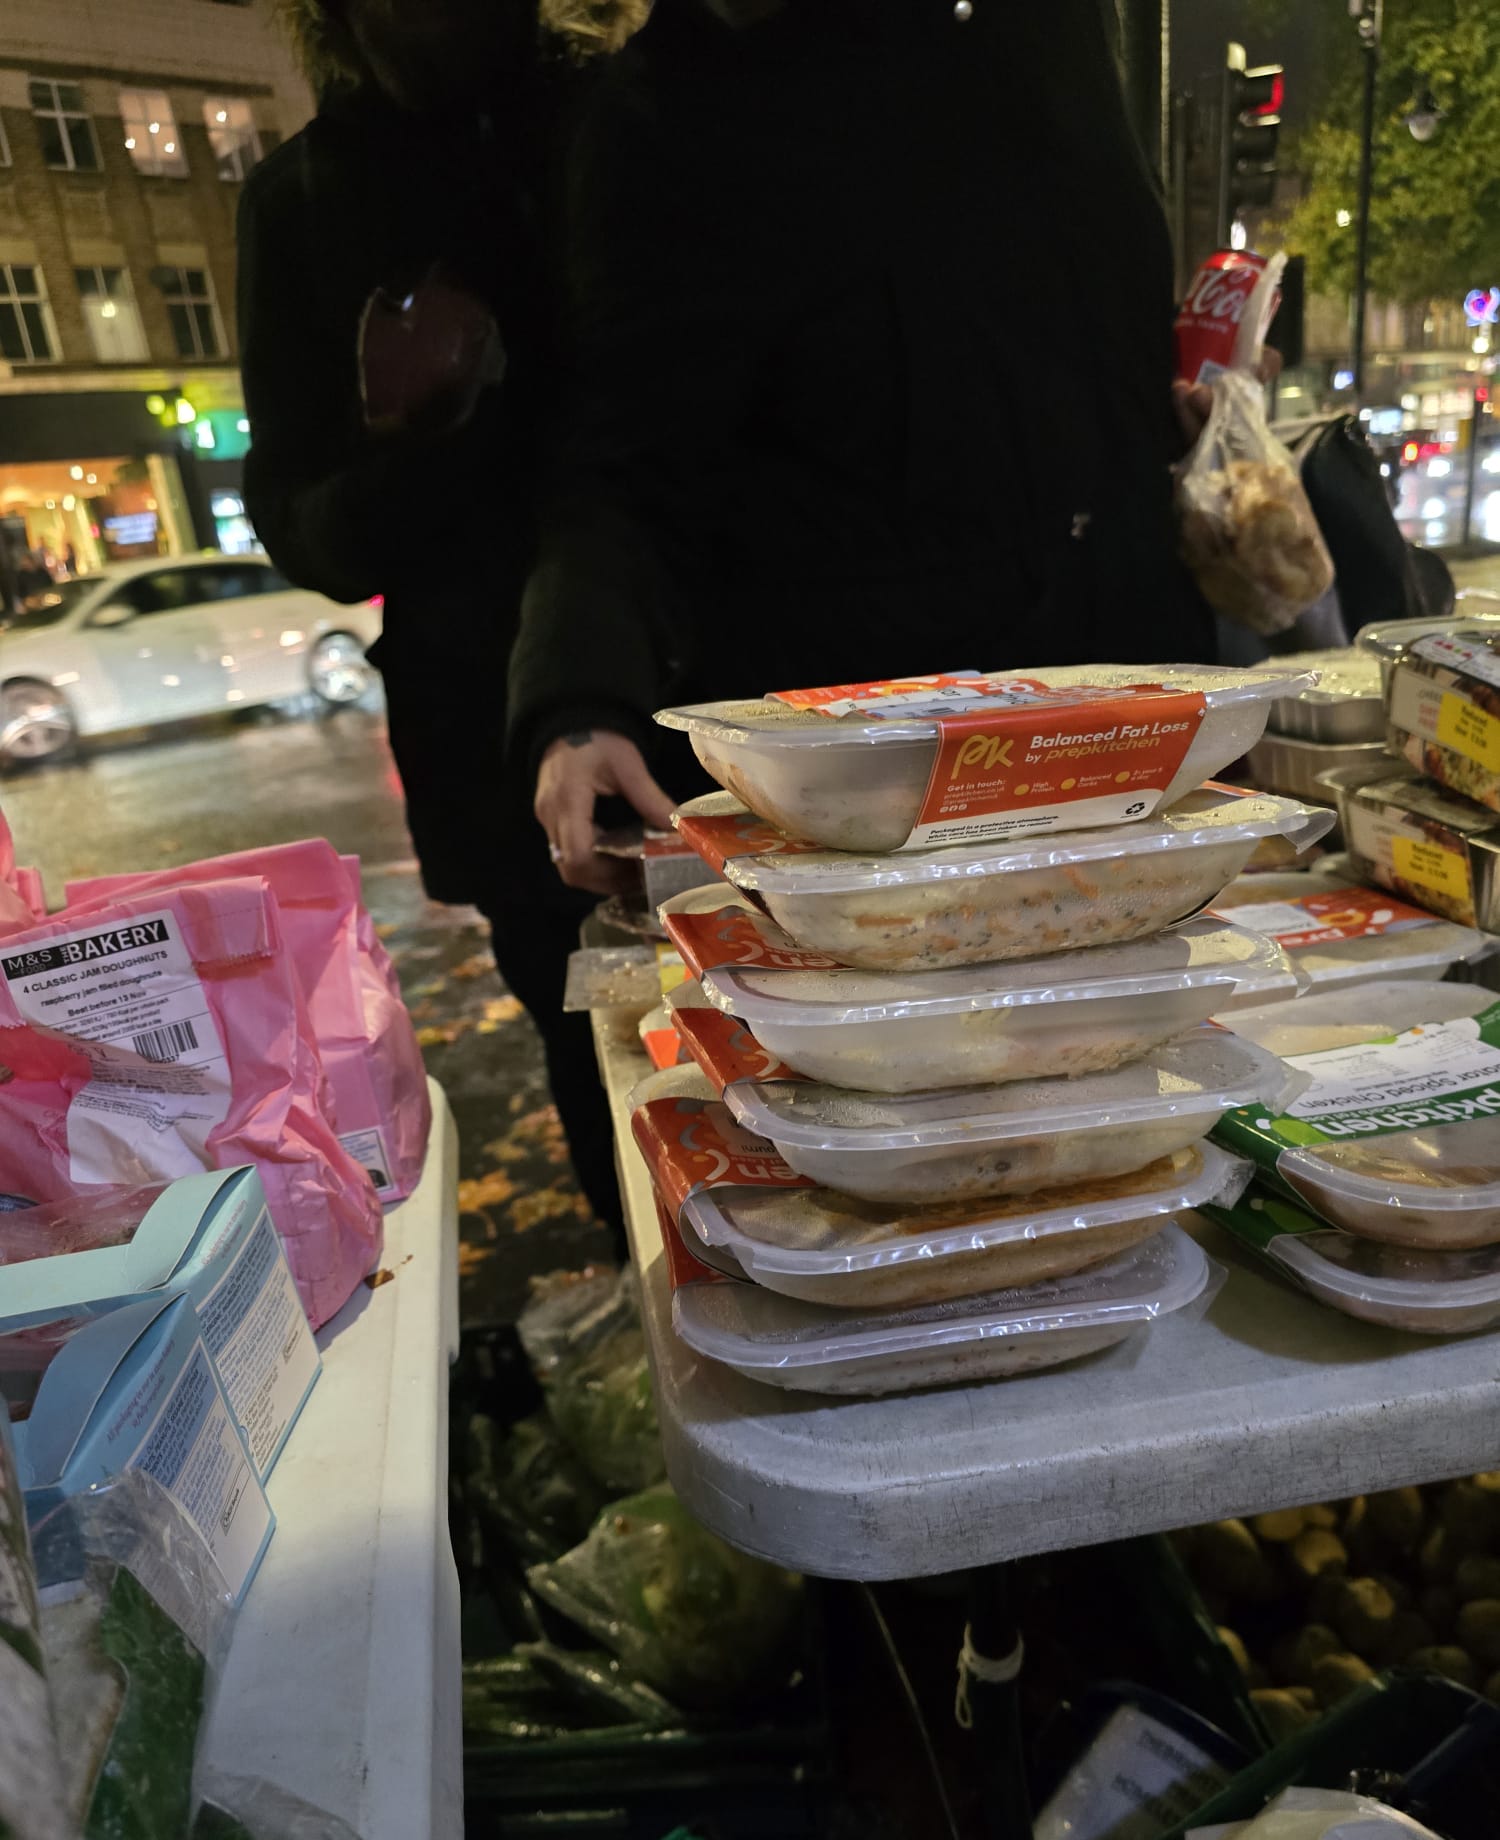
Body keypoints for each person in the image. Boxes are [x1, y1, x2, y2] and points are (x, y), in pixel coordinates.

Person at [510, 0, 1219, 892]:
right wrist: (581, 700)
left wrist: (1191, 402)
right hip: (889, 794)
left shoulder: (1054, 28)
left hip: (1140, 727)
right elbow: (627, 467)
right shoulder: (674, 115)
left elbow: (1081, 331)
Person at [238, 0, 626, 1246]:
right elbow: (305, 527)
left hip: (702, 661)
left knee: (782, 1017)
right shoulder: (305, 201)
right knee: (583, 1036)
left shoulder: (612, 117)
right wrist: (426, 431)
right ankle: (671, 1311)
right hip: (492, 730)